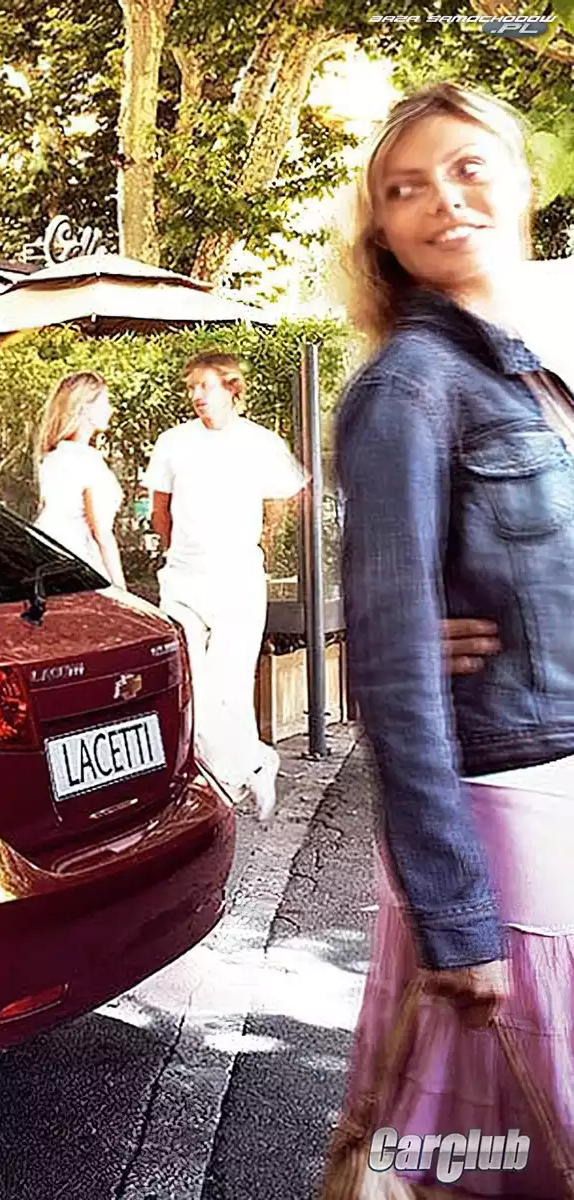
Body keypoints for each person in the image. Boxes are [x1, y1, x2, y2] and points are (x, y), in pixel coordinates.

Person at [328, 82, 574, 1197]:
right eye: (405, 188)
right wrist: (455, 915)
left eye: (470, 168)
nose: (443, 200)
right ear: (381, 229)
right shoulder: (409, 388)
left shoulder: (528, 371)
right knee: (501, 1157)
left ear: (525, 184)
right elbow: (392, 668)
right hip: (510, 836)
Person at [145, 352, 306, 820]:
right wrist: (178, 552)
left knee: (229, 685)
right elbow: (159, 510)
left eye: (206, 385)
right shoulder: (173, 442)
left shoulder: (260, 442)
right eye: (192, 387)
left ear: (231, 389)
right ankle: (250, 763)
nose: (196, 395)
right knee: (191, 683)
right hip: (183, 579)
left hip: (238, 580)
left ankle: (231, 776)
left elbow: (290, 496)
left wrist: (259, 540)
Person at [32, 371, 127, 588]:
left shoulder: (53, 457)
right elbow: (101, 533)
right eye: (105, 402)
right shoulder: (87, 460)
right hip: (80, 562)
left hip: (50, 558)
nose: (110, 410)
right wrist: (121, 589)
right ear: (85, 407)